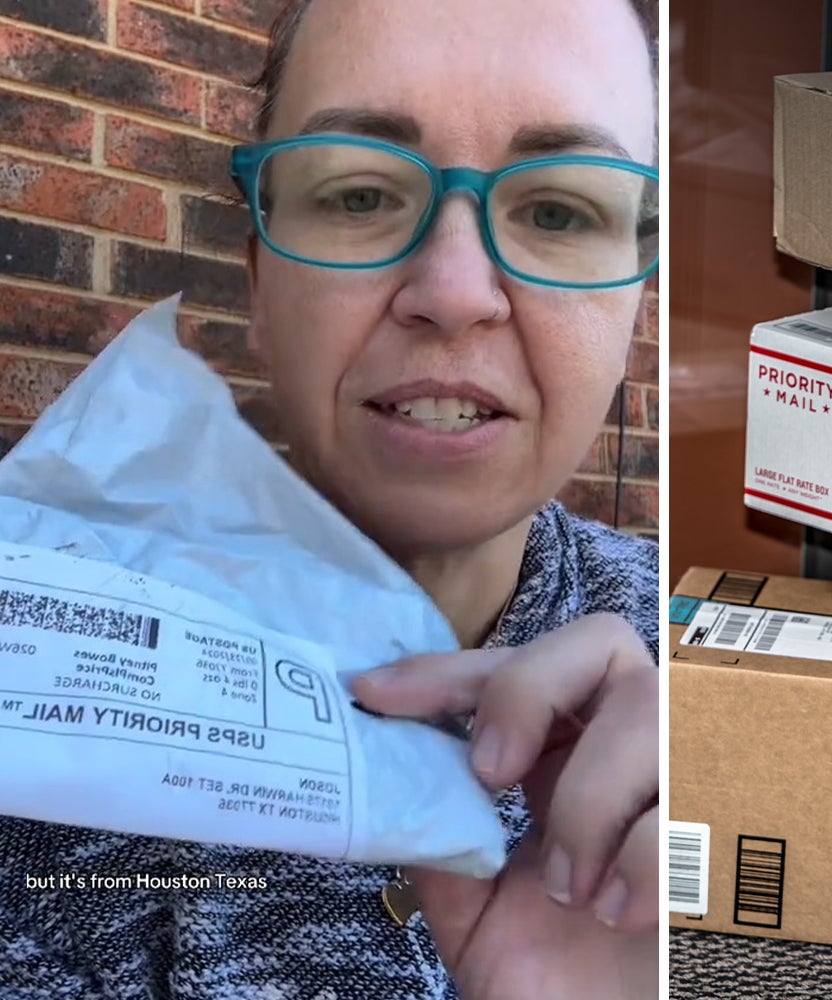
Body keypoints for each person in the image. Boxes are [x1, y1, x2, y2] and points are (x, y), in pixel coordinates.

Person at [0, 0, 661, 996]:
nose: (453, 288)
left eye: (559, 210)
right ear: (258, 278)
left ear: (634, 302)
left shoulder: (728, 690)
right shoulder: (38, 712)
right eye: (358, 195)